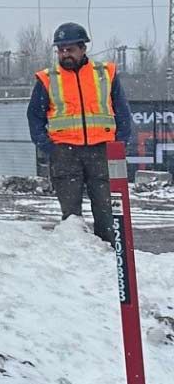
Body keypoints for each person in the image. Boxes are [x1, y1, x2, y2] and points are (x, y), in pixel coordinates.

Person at [29, 21, 134, 243]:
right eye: (61, 50)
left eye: (70, 49)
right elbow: (34, 117)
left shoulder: (105, 74)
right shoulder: (48, 78)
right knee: (71, 217)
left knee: (107, 212)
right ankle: (76, 254)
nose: (65, 54)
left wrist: (119, 144)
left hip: (102, 151)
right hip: (64, 154)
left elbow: (122, 111)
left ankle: (109, 251)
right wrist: (48, 147)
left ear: (83, 48)